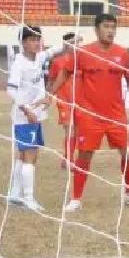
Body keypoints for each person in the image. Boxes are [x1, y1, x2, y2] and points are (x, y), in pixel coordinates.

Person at [48, 13, 129, 211]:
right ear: (97, 30)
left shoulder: (123, 53)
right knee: (85, 154)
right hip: (90, 115)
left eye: (113, 27)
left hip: (116, 115)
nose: (110, 31)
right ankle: (76, 199)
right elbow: (65, 72)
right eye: (106, 26)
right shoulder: (84, 52)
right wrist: (49, 95)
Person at [6, 25, 58, 211]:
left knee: (23, 155)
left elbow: (52, 52)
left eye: (38, 39)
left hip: (35, 115)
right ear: (24, 43)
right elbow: (11, 90)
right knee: (31, 155)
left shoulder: (39, 57)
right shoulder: (19, 64)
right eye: (32, 40)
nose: (37, 43)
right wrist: (27, 111)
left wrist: (69, 43)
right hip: (25, 117)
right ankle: (28, 198)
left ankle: (15, 193)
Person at [47, 32, 82, 169]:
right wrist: (48, 96)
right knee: (70, 129)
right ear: (67, 45)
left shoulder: (81, 61)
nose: (77, 45)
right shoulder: (57, 62)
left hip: (80, 103)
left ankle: (66, 158)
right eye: (74, 43)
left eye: (78, 43)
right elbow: (51, 81)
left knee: (77, 131)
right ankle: (69, 160)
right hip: (64, 101)